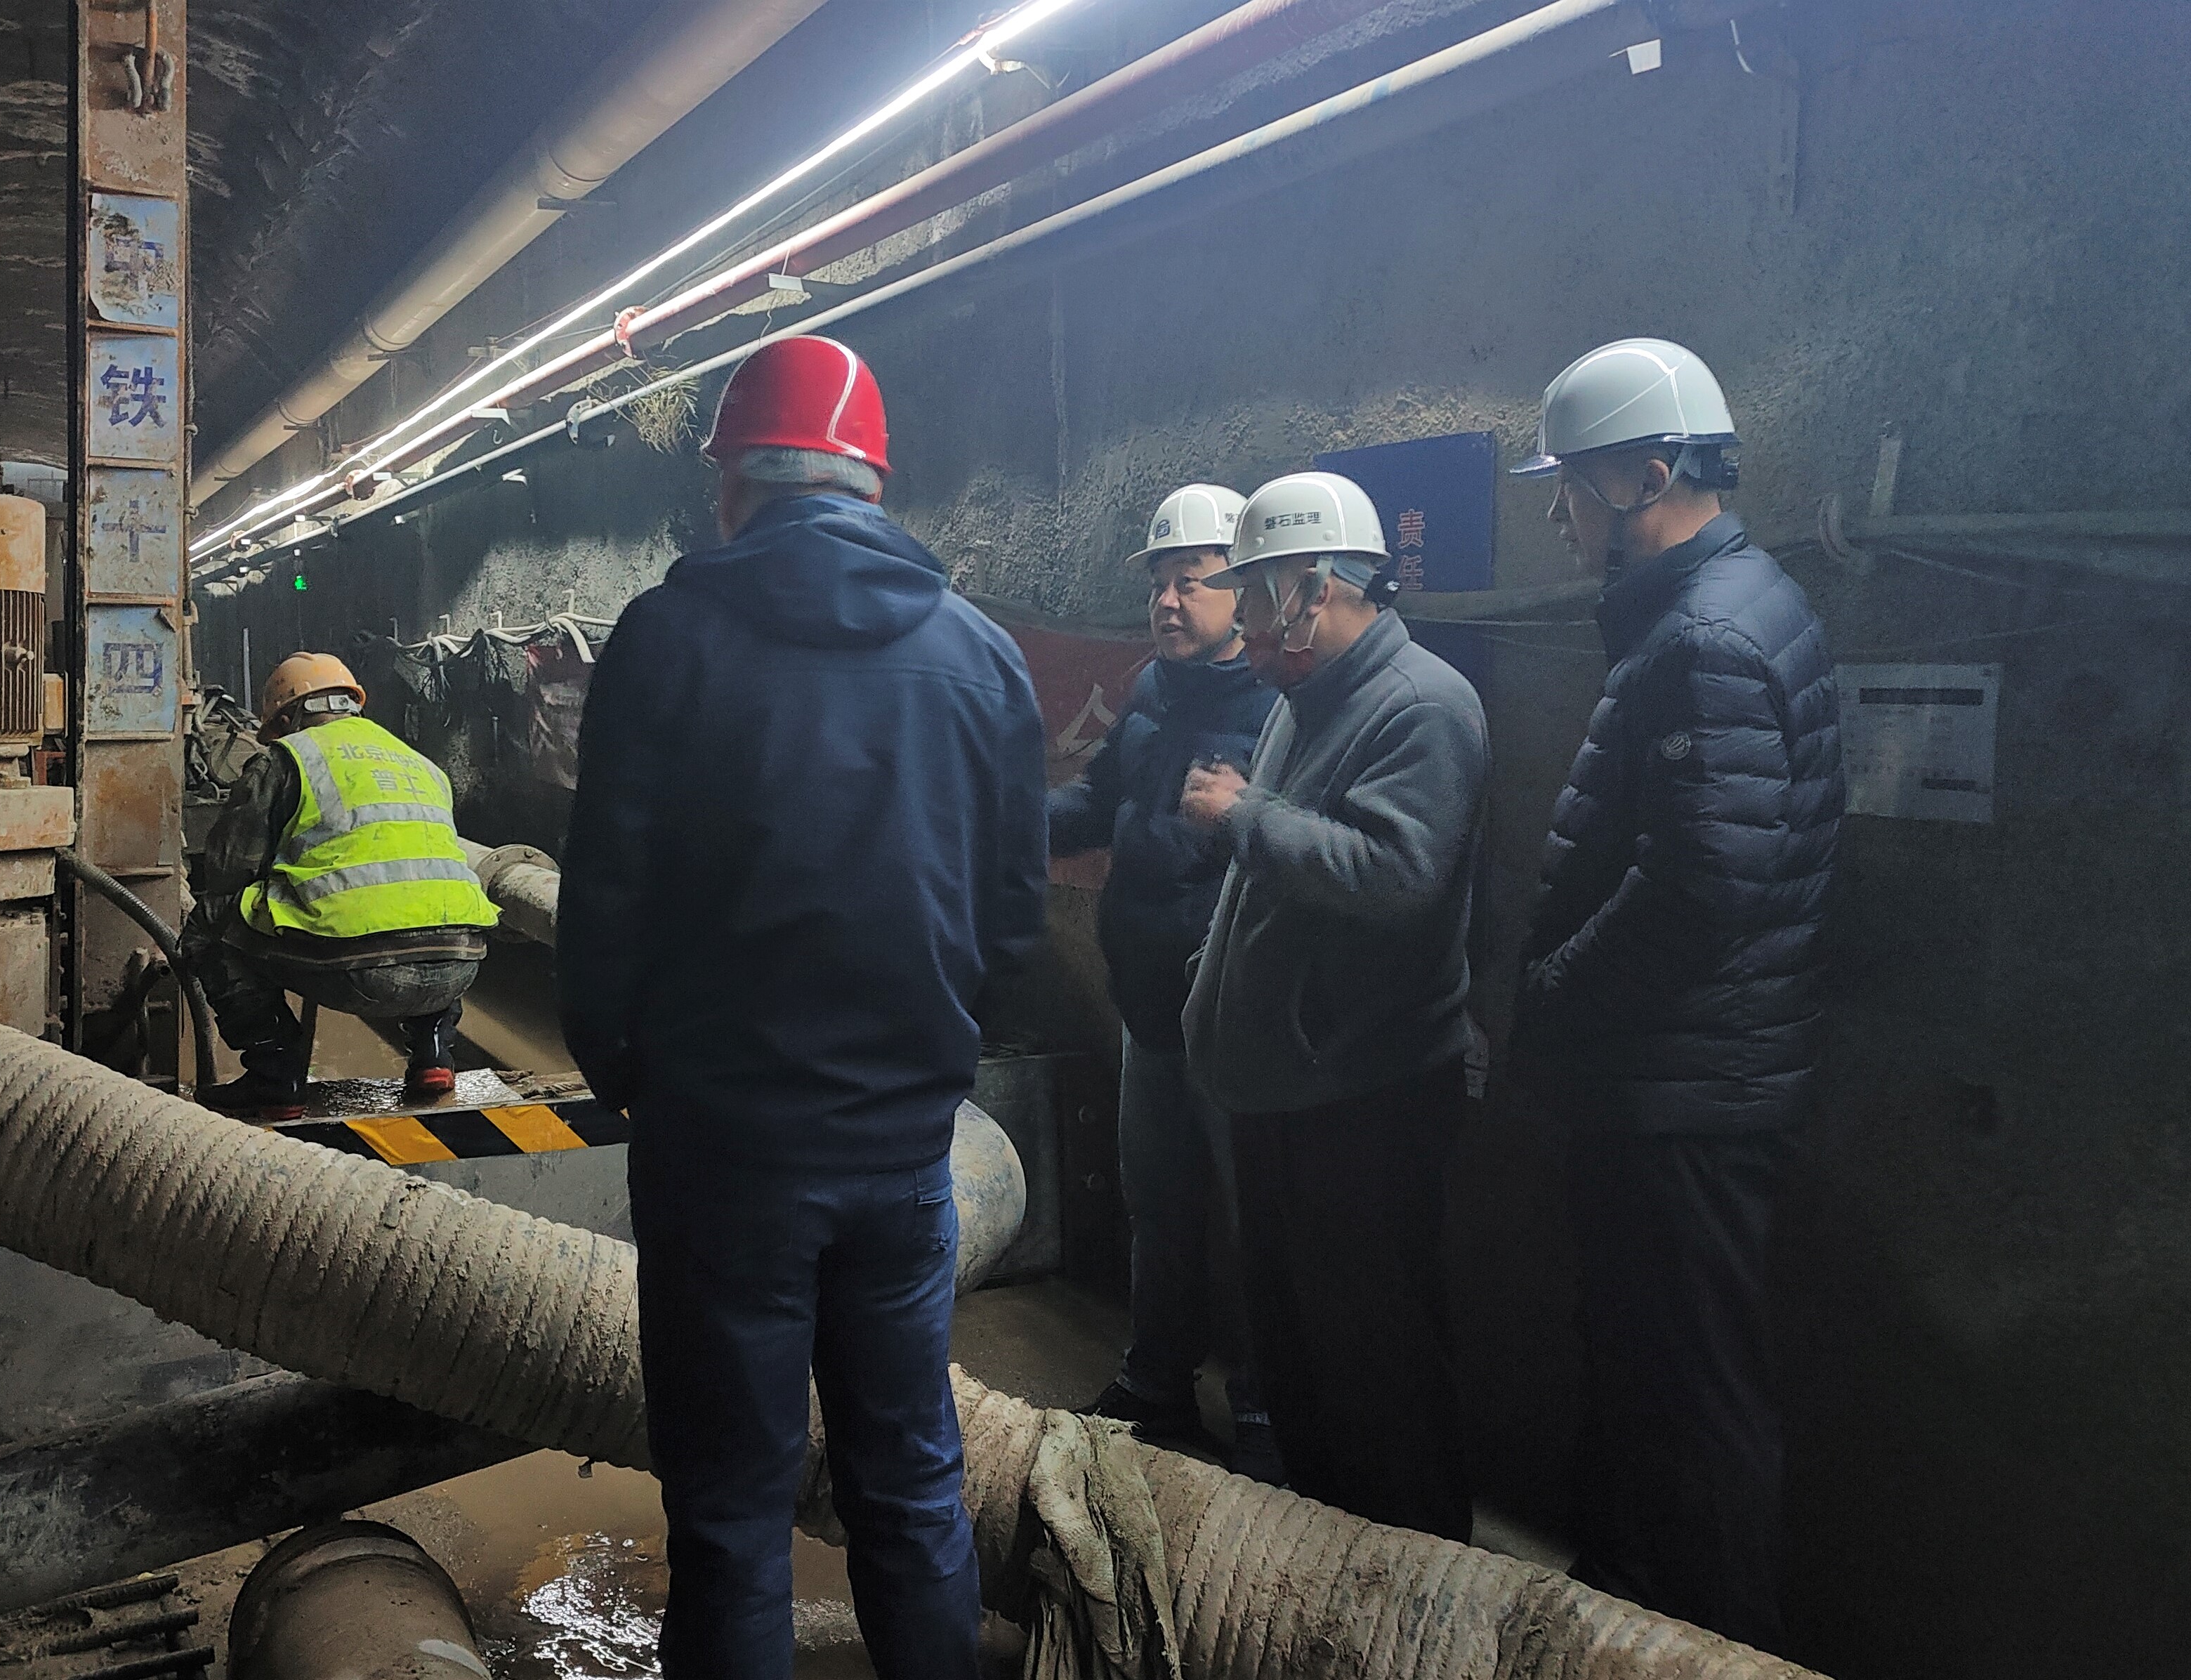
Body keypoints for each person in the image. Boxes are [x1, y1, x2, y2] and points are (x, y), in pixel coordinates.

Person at [555, 335, 1047, 1680]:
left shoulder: (663, 640)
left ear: (733, 485)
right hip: (904, 1151)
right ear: (872, 486)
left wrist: (635, 1077)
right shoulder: (982, 656)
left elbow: (605, 904)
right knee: (912, 1484)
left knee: (730, 1512)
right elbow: (1013, 918)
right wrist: (927, 1061)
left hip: (722, 1149)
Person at [1506, 337, 1843, 1650]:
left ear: (1649, 477)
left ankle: (1711, 1644)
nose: (1558, 514)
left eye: (1571, 483)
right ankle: (1639, 1623)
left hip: (1681, 1096)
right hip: (1685, 1081)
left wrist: (1554, 990)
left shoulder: (1702, 636)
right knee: (1656, 1387)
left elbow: (1701, 888)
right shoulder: (1725, 607)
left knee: (1691, 1408)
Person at [1178, 470, 1489, 1540]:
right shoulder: (1300, 699)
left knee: (1377, 1362)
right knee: (1298, 1353)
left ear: (1317, 589)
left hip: (1361, 1096)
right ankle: (1321, 1574)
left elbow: (1398, 877)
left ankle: (1414, 1581)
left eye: (1257, 596)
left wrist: (1243, 817)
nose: (1245, 624)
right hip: (1288, 1090)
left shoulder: (1421, 705)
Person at [1046, 484, 1280, 1480]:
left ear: (1243, 589)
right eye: (1158, 583)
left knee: (1255, 1216)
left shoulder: (1278, 702)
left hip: (1232, 1010)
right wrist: (996, 819)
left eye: (1191, 580)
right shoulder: (1148, 692)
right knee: (1159, 1200)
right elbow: (1097, 802)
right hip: (1146, 1000)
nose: (1169, 602)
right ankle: (1156, 1381)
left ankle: (1267, 1415)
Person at [188, 653, 497, 1120]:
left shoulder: (285, 758)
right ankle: (433, 1054)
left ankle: (276, 1074)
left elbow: (230, 871)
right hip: (460, 965)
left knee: (209, 925)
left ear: (285, 719)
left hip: (356, 970)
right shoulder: (420, 763)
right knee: (427, 902)